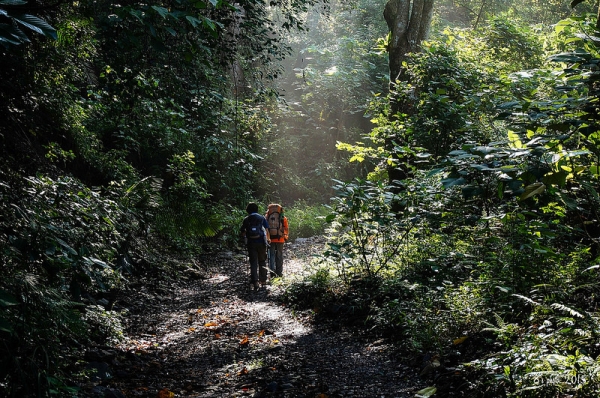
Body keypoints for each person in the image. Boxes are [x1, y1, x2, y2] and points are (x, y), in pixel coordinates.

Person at [240, 202, 271, 290]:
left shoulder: (246, 219)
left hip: (251, 243)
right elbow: (266, 228)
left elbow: (243, 231)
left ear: (248, 210)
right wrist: (268, 240)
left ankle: (255, 281)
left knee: (253, 262)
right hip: (261, 242)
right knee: (262, 261)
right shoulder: (261, 218)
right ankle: (263, 280)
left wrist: (245, 238)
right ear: (257, 209)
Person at [265, 203, 289, 278]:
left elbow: (265, 228)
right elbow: (286, 229)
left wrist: (266, 238)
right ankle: (279, 273)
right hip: (280, 239)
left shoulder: (267, 216)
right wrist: (285, 237)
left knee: (271, 255)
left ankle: (272, 272)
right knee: (279, 255)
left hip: (270, 239)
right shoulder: (283, 218)